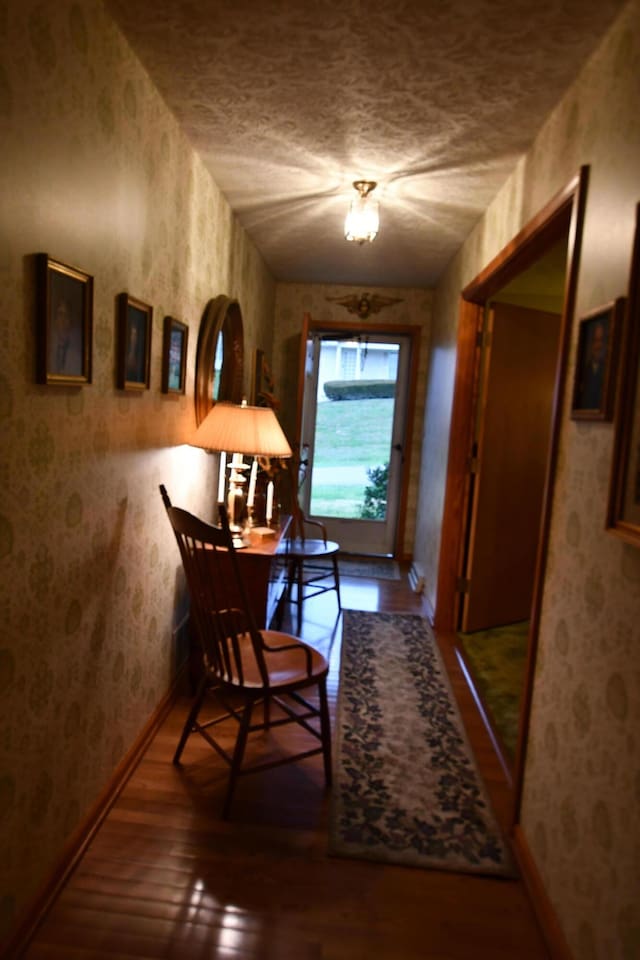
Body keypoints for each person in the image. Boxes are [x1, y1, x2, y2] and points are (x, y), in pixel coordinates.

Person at [578, 319, 607, 409]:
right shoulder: (583, 370)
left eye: (601, 340)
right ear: (591, 343)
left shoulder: (607, 370)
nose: (598, 345)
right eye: (595, 340)